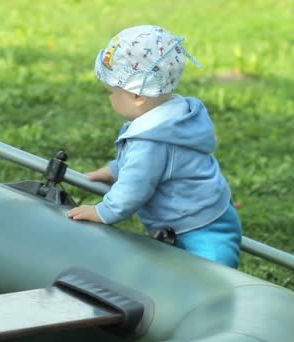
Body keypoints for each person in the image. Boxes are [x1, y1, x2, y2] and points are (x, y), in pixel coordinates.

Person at [67, 25, 242, 268]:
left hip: (202, 228)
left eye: (112, 92)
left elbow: (135, 187)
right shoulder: (171, 115)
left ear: (139, 96)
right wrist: (115, 170)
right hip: (193, 214)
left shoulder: (151, 138)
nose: (109, 98)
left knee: (212, 278)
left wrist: (102, 212)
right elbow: (160, 164)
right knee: (175, 272)